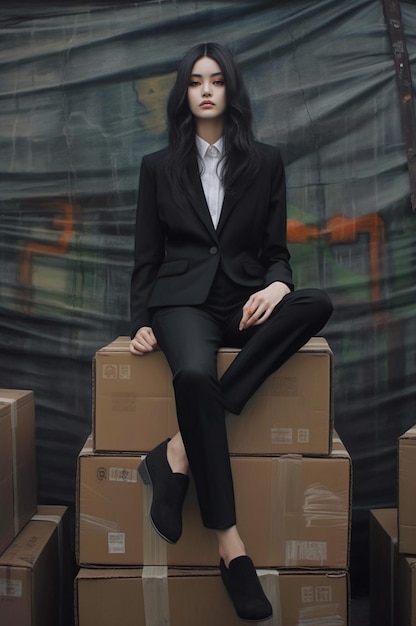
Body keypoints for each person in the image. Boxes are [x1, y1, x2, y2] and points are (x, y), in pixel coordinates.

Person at [130, 42, 333, 622]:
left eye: (217, 80)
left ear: (231, 90)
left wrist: (277, 286)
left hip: (245, 297)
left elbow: (277, 252)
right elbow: (147, 254)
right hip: (182, 301)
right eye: (196, 81)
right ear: (185, 93)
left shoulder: (265, 162)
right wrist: (142, 319)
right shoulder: (157, 166)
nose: (207, 90)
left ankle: (174, 450)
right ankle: (230, 546)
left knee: (314, 303)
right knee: (192, 373)